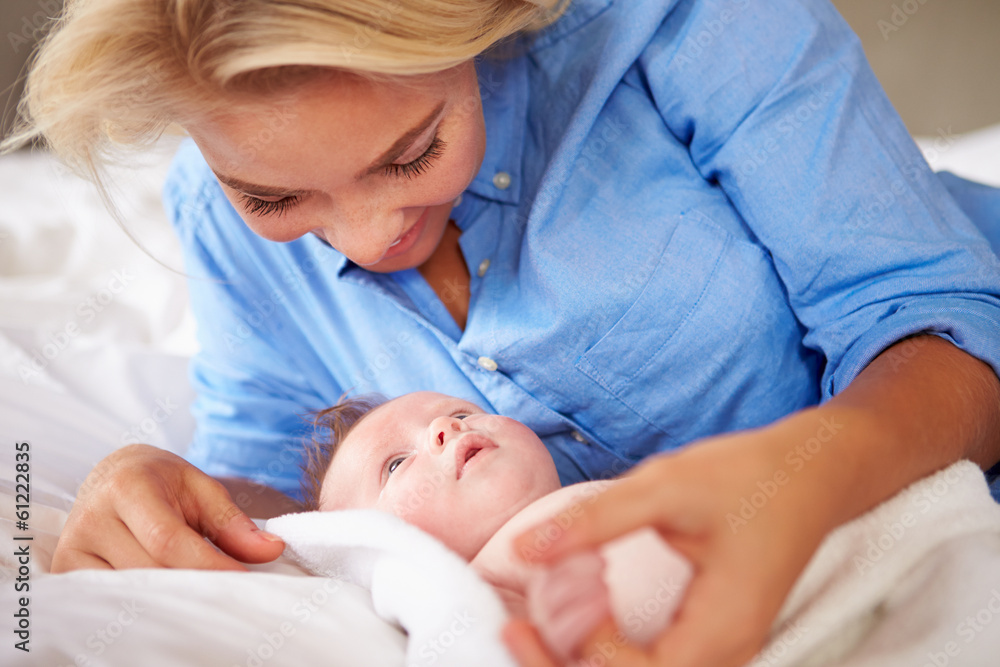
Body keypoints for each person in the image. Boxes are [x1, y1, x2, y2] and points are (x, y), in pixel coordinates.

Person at [5, 0, 1000, 665]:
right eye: (271, 195)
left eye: (413, 152)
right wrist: (170, 496)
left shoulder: (692, 27)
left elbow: (942, 324)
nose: (364, 239)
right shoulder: (210, 213)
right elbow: (284, 489)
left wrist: (804, 477)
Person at [301, 390, 693, 661]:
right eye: (396, 464)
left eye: (462, 414)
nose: (445, 426)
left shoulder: (610, 489)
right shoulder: (475, 592)